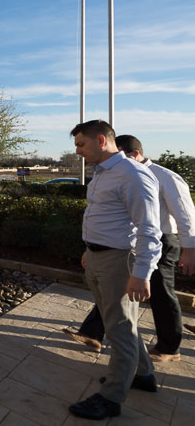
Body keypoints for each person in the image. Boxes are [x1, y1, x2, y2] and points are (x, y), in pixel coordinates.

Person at [62, 134, 195, 362]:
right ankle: (92, 333)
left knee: (162, 294)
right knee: (116, 289)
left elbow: (186, 214)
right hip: (133, 242)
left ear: (134, 154)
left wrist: (189, 249)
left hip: (162, 241)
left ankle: (169, 349)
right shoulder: (122, 174)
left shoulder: (165, 176)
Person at [67, 121, 162, 421]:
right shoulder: (102, 174)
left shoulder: (132, 175)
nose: (78, 151)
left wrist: (142, 273)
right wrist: (89, 250)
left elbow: (149, 229)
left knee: (119, 329)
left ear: (101, 140)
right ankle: (143, 374)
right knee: (118, 323)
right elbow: (104, 217)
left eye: (81, 144)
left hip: (119, 262)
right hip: (97, 257)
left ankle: (111, 398)